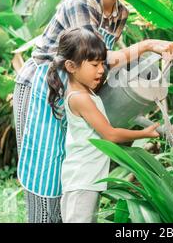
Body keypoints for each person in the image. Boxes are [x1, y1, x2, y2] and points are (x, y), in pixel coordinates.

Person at [13, 0, 173, 223]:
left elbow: (107, 65)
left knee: (68, 164)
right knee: (45, 167)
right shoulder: (83, 2)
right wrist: (148, 44)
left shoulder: (120, 13)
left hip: (74, 91)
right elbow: (91, 56)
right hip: (43, 86)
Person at [46, 29, 160, 223]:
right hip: (81, 180)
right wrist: (144, 133)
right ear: (71, 66)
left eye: (102, 63)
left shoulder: (86, 92)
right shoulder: (81, 98)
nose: (101, 70)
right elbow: (111, 134)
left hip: (87, 179)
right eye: (94, 64)